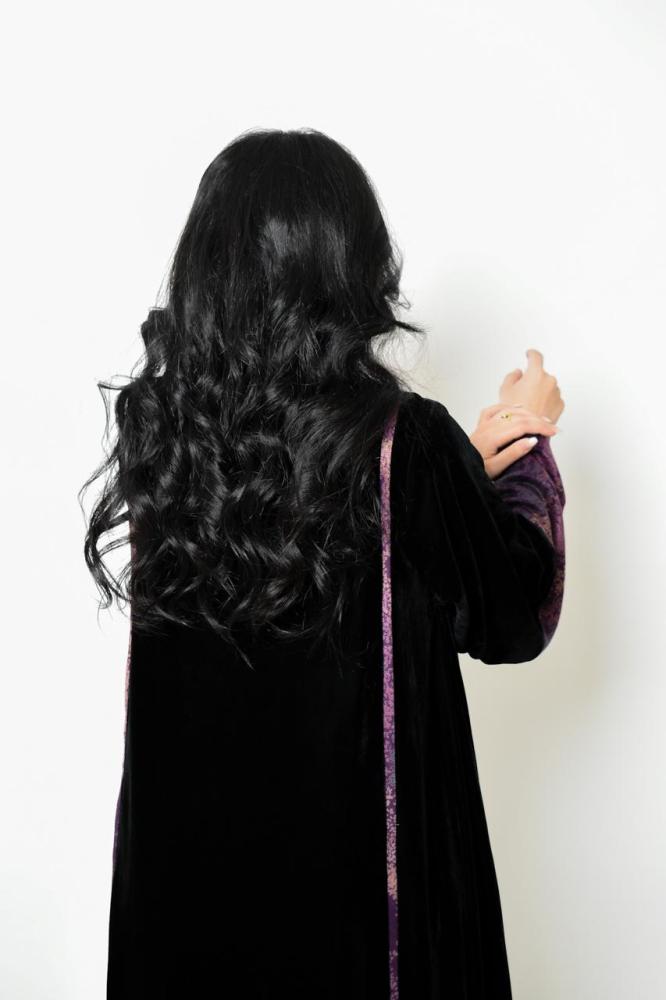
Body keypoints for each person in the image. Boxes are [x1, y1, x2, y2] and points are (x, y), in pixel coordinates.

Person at [81, 127, 566, 999]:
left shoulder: (171, 442)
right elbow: (513, 614)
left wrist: (462, 468)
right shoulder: (402, 443)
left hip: (192, 902)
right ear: (350, 267)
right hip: (358, 918)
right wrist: (529, 447)